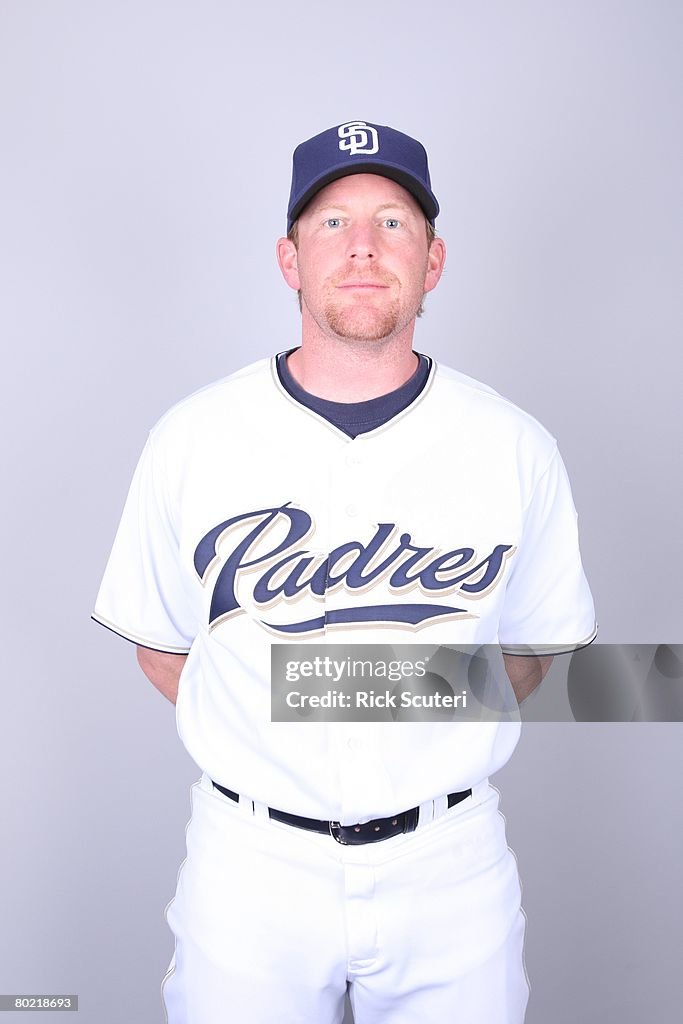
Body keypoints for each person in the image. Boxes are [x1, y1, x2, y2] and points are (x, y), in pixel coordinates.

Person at [92, 119, 596, 1024]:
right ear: (289, 260)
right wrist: (283, 734)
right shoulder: (192, 438)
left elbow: (531, 659)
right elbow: (164, 651)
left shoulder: (514, 445)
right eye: (331, 223)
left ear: (432, 261)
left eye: (393, 223)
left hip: (448, 862)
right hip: (251, 864)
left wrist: (351, 699)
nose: (362, 248)